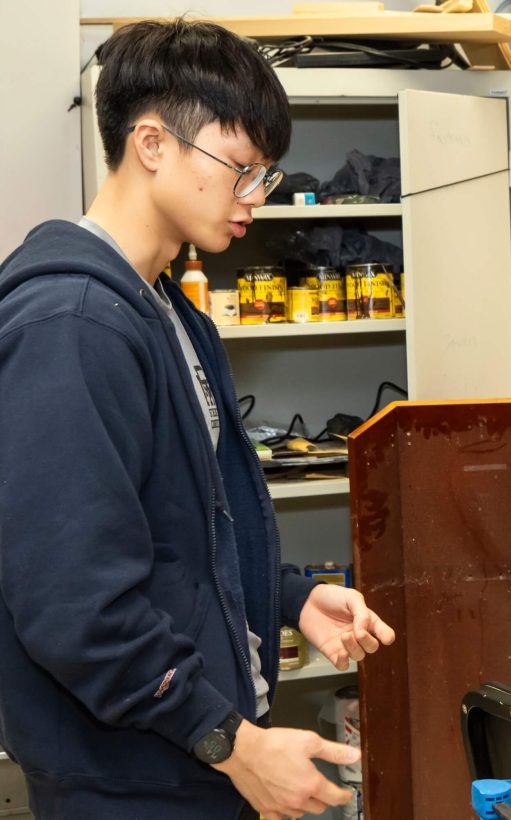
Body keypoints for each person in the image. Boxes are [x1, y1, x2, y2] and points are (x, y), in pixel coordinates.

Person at [0, 19, 395, 820]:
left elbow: (178, 529)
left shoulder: (170, 313)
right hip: (131, 780)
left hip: (185, 758)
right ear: (151, 144)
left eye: (266, 177)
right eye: (241, 170)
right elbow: (76, 602)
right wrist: (233, 743)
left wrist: (285, 597)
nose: (255, 197)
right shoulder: (72, 324)